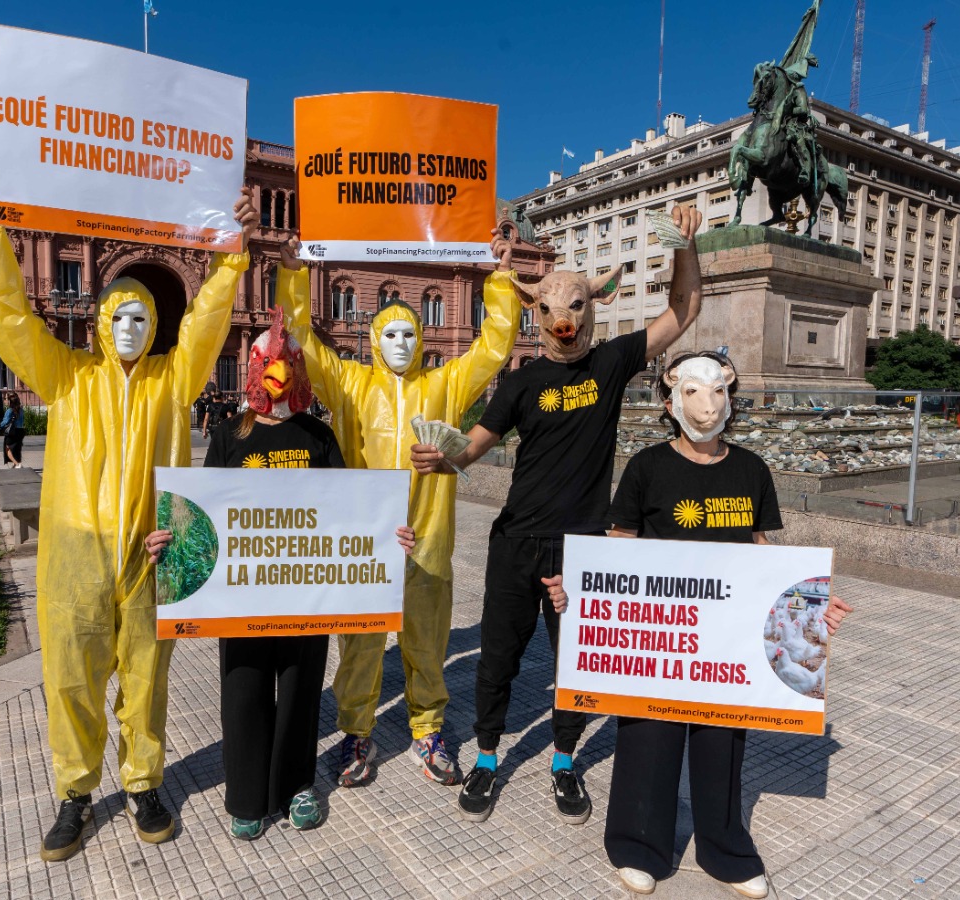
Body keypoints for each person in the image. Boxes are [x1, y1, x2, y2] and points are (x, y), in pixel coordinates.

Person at [0, 159, 257, 861]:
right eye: (118, 317)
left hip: (153, 548)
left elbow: (208, 324)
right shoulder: (66, 375)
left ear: (156, 328)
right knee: (72, 675)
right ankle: (75, 794)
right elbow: (9, 317)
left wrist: (232, 260)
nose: (129, 327)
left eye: (142, 318)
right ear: (96, 323)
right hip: (75, 553)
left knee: (147, 677)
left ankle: (145, 781)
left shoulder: (173, 379)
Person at [412, 204, 706, 825]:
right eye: (549, 309)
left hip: (581, 549)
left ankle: (564, 760)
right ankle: (488, 757)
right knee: (498, 657)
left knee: (577, 661)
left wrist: (683, 244)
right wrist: (441, 457)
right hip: (515, 542)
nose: (563, 320)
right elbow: (474, 447)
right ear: (534, 312)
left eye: (575, 306)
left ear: (593, 306)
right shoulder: (521, 383)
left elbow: (683, 311)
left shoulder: (612, 363)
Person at [543, 353, 852, 898]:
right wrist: (582, 590)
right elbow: (620, 546)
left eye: (715, 392)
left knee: (721, 748)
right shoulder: (646, 467)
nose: (705, 406)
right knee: (647, 739)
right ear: (670, 401)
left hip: (725, 643)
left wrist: (810, 607)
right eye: (691, 392)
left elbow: (763, 552)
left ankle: (725, 850)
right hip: (662, 636)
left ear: (729, 399)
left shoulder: (752, 470)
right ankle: (638, 846)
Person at [145, 309, 417, 840]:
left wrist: (389, 536)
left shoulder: (317, 434)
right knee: (243, 694)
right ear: (255, 368)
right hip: (242, 597)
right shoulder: (229, 434)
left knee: (299, 692)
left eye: (286, 362)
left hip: (305, 597)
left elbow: (348, 508)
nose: (278, 372)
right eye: (268, 362)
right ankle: (246, 795)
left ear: (298, 368)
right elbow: (202, 513)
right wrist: (169, 539)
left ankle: (296, 784)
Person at [277, 231, 519, 788]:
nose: (403, 343)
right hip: (365, 542)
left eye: (411, 332)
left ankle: (427, 730)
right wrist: (292, 276)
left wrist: (500, 280)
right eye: (391, 334)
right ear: (372, 338)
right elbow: (304, 342)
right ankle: (357, 731)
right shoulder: (349, 384)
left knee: (427, 639)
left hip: (428, 539)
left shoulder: (445, 384)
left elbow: (492, 347)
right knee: (359, 642)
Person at [2, 392, 26, 468]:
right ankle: (17, 463)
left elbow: (5, 421)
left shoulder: (9, 411)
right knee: (17, 448)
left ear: (10, 401)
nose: (4, 400)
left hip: (12, 431)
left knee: (7, 448)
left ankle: (17, 463)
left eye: (5, 399)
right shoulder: (21, 410)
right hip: (20, 430)